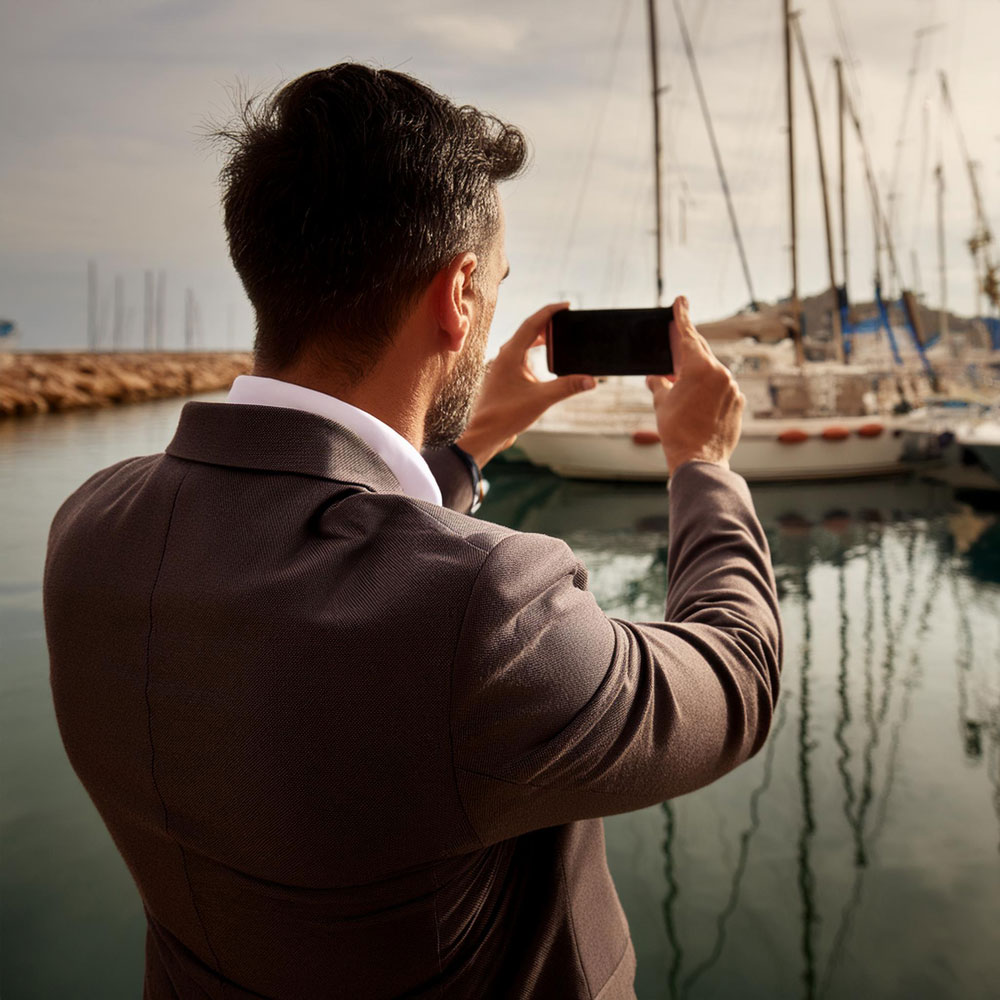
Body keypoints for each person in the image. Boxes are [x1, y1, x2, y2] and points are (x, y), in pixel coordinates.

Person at [43, 64, 782, 999]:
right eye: (496, 286)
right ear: (460, 294)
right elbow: (737, 676)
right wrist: (705, 466)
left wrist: (473, 441)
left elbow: (323, 544)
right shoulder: (485, 608)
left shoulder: (92, 527)